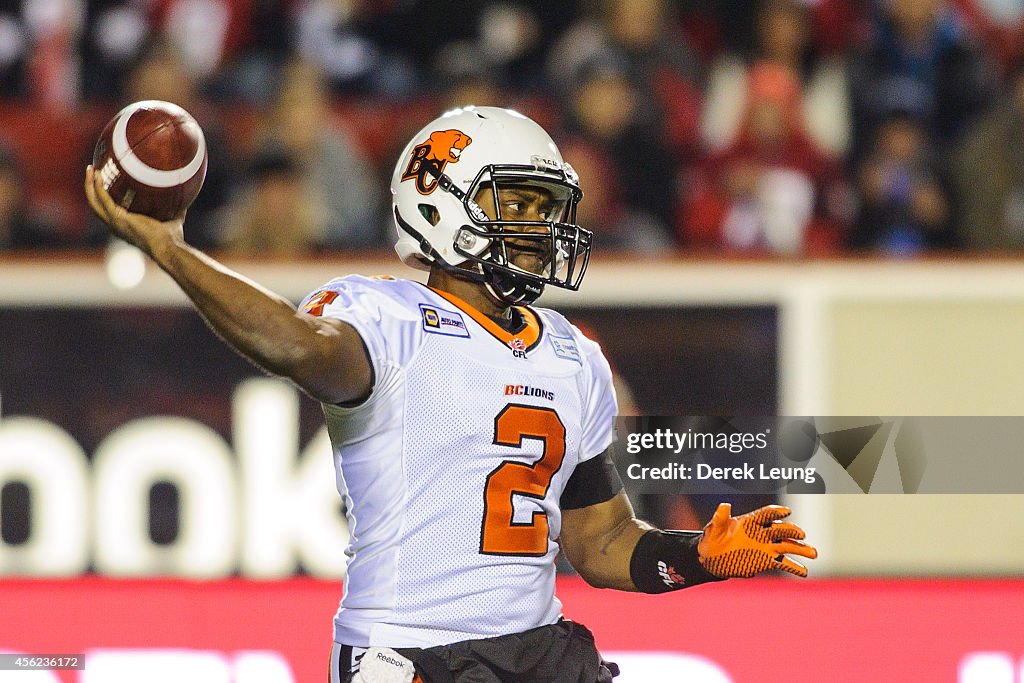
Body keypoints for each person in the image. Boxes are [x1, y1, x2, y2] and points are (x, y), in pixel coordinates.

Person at [84, 105, 817, 683]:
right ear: (439, 203)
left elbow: (599, 544)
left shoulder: (574, 355)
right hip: (411, 656)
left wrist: (700, 555)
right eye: (519, 203)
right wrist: (172, 250)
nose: (540, 227)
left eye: (546, 207)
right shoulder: (385, 317)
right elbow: (296, 346)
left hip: (540, 655)